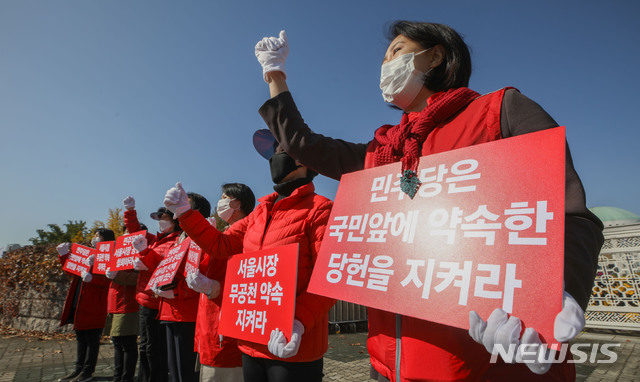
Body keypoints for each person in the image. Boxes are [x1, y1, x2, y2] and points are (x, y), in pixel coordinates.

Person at [254, 22, 605, 381]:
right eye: (384, 57)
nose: (386, 64)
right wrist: (274, 73)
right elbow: (304, 145)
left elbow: (568, 211)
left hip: (483, 362)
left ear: (435, 55)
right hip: (387, 367)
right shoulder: (379, 152)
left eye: (397, 51)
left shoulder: (500, 112)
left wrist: (559, 293)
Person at [163, 143, 336, 382]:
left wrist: (298, 322)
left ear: (303, 160)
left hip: (294, 346)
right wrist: (186, 214)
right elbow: (220, 245)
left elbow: (328, 277)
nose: (275, 157)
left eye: (281, 150)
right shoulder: (260, 212)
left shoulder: (320, 209)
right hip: (250, 342)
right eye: (273, 152)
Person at [135, 192, 212, 382]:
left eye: (183, 205)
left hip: (186, 313)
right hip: (169, 310)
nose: (176, 210)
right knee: (175, 369)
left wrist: (176, 291)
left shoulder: (201, 238)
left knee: (186, 369)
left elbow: (200, 278)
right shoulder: (181, 238)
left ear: (195, 211)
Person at [186, 182, 256, 382]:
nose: (220, 203)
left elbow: (250, 282)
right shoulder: (225, 233)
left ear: (237, 204)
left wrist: (216, 287)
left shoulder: (248, 234)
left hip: (226, 332)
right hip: (209, 327)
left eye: (225, 198)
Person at [123, 199, 178, 382]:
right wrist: (130, 211)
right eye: (159, 218)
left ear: (174, 221)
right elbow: (136, 233)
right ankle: (144, 378)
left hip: (157, 301)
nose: (161, 222)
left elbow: (166, 267)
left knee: (155, 348)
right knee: (145, 346)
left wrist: (146, 256)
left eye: (165, 218)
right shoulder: (156, 240)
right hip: (144, 299)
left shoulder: (177, 241)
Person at [56, 228, 112, 382]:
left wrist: (92, 278)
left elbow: (108, 281)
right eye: (95, 235)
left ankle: (87, 371)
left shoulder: (107, 256)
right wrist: (64, 255)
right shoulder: (86, 253)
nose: (95, 238)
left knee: (92, 339)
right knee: (81, 338)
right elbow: (71, 269)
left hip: (94, 305)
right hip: (79, 302)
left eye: (98, 236)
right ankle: (78, 369)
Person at [105, 259, 140, 382]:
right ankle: (118, 377)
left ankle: (126, 378)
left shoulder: (133, 255)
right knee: (118, 342)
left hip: (127, 304)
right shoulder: (117, 254)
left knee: (127, 342)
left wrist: (118, 274)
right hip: (116, 303)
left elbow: (138, 278)